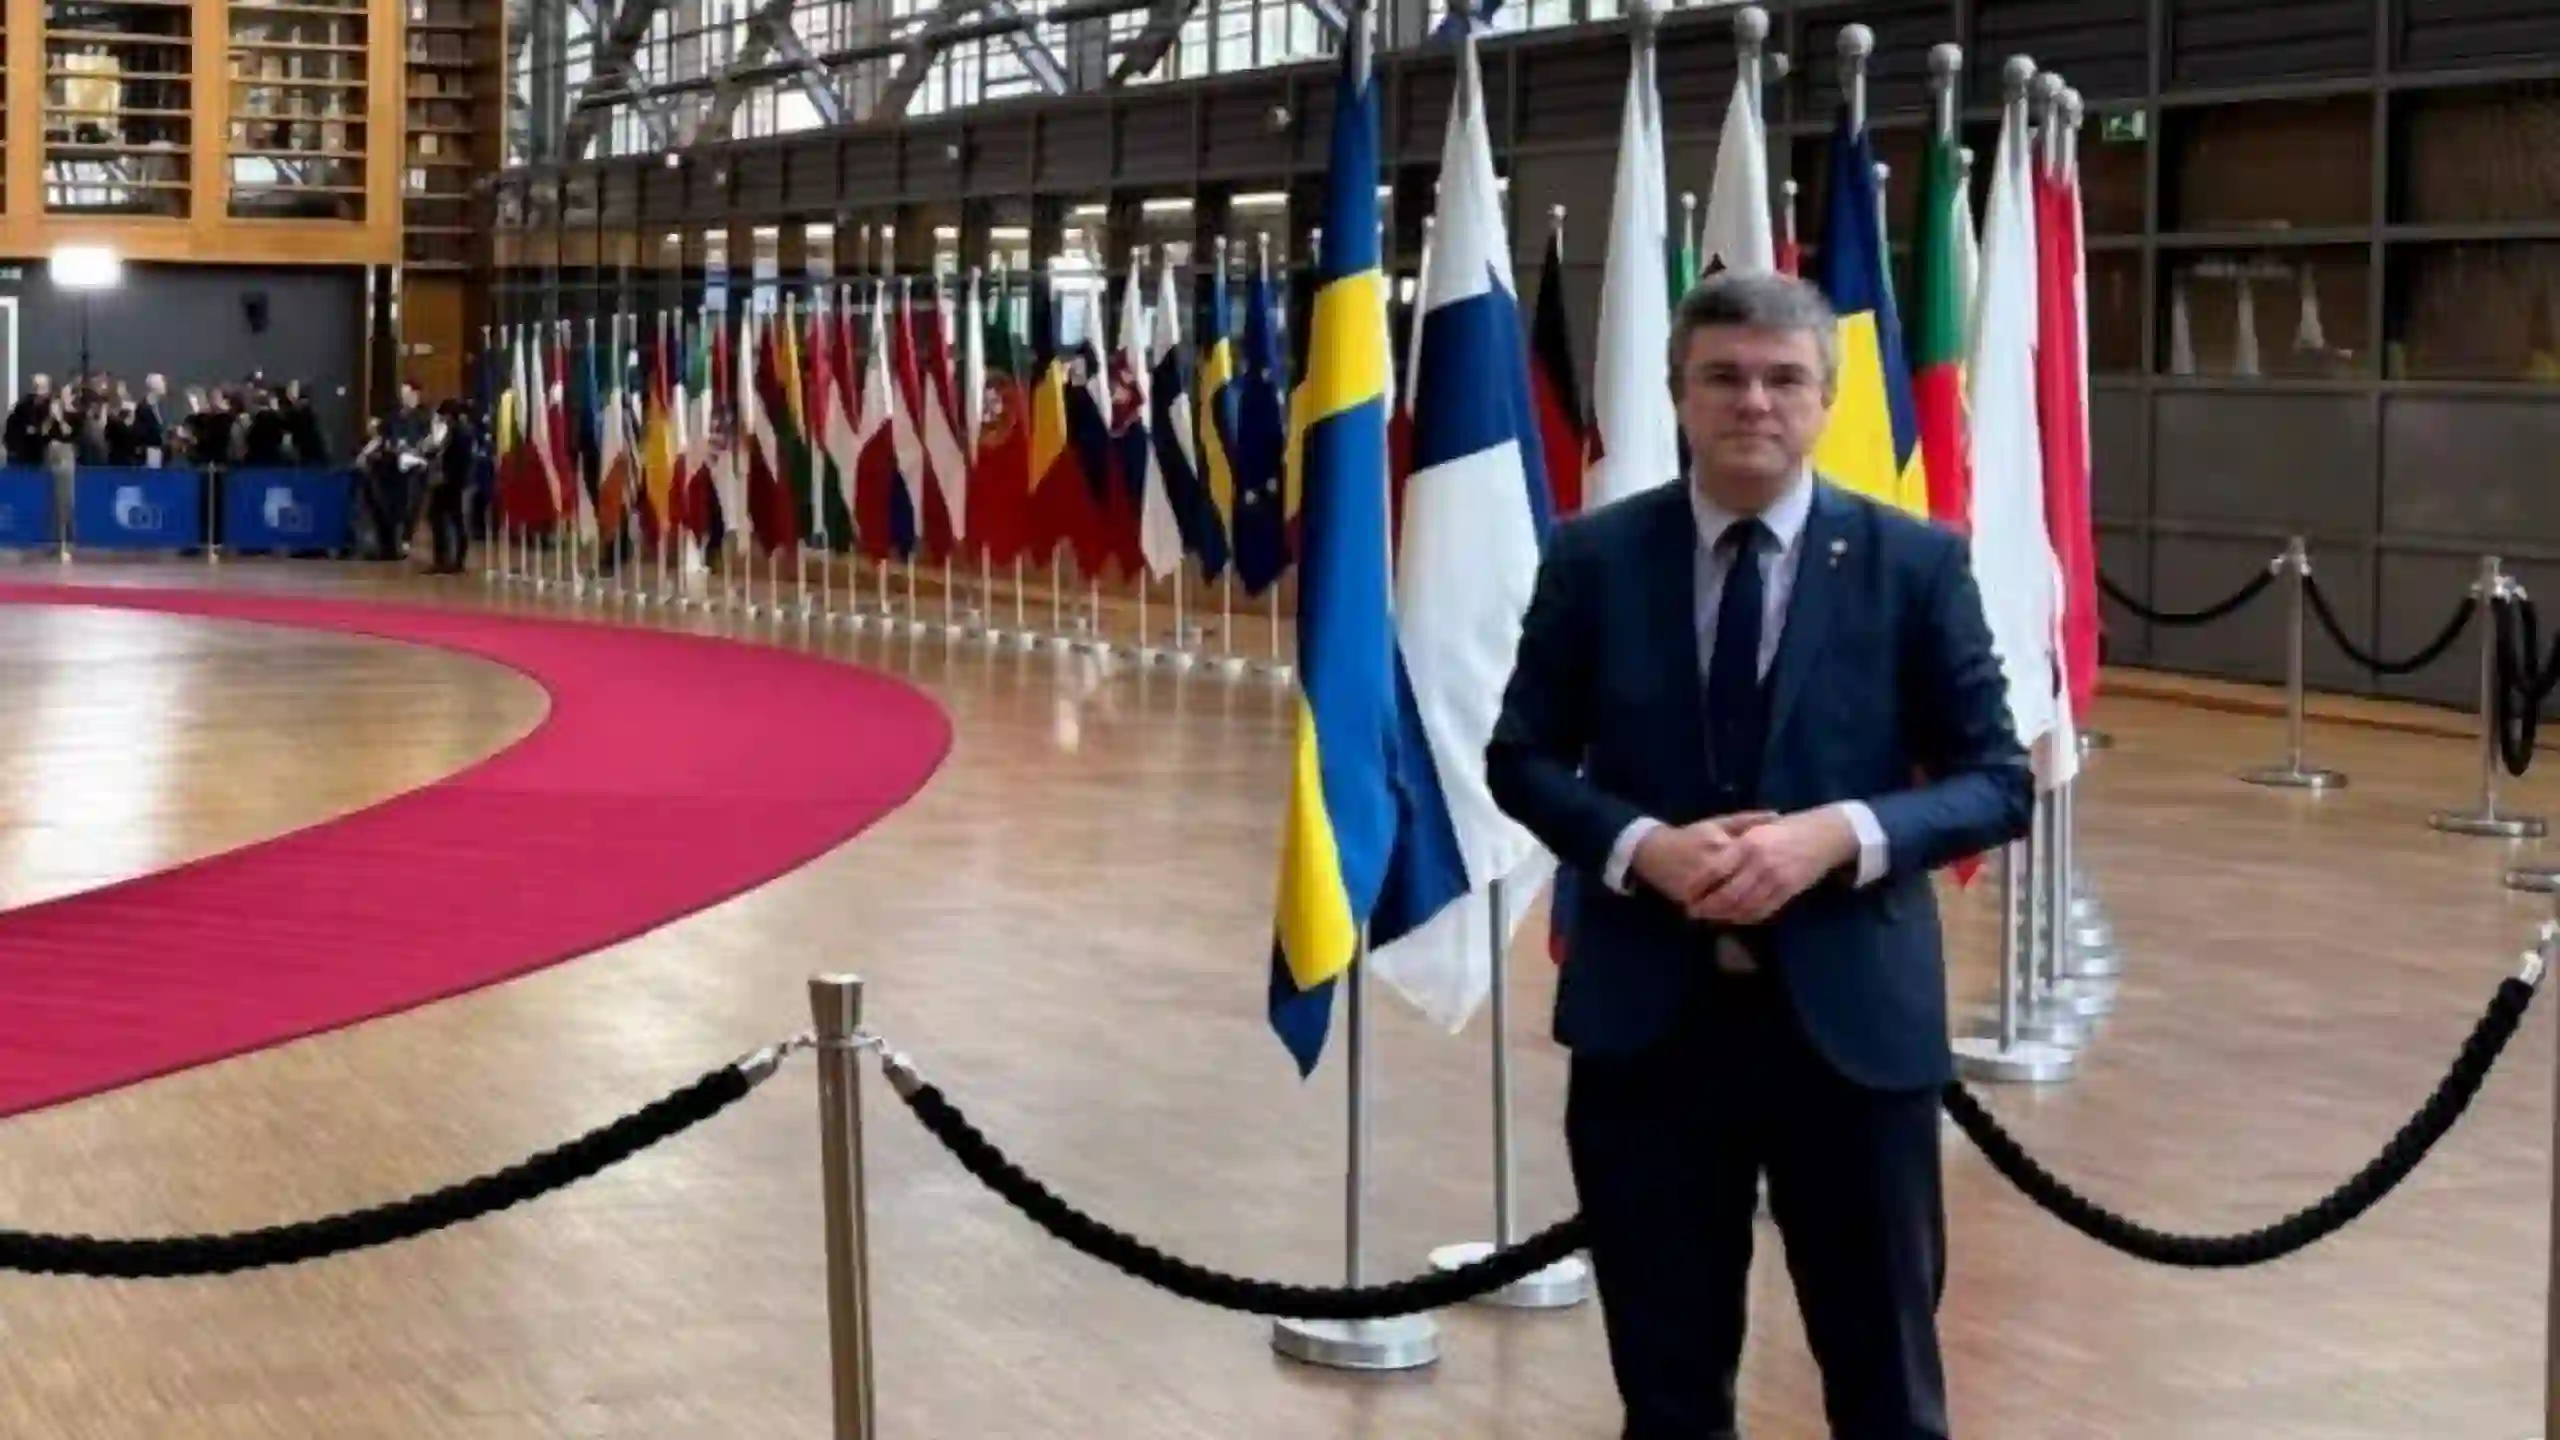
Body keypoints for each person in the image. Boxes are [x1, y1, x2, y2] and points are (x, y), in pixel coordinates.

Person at [1484, 272, 2033, 1440]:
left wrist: (1841, 835)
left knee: (1885, 1386)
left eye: (1784, 379)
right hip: (1648, 1029)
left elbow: (1997, 779)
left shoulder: (1913, 564)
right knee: (1667, 1391)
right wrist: (1640, 847)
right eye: (1723, 377)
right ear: (1678, 394)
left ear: (1826, 399)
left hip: (1854, 1036)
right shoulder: (1592, 557)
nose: (1753, 402)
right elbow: (1520, 759)